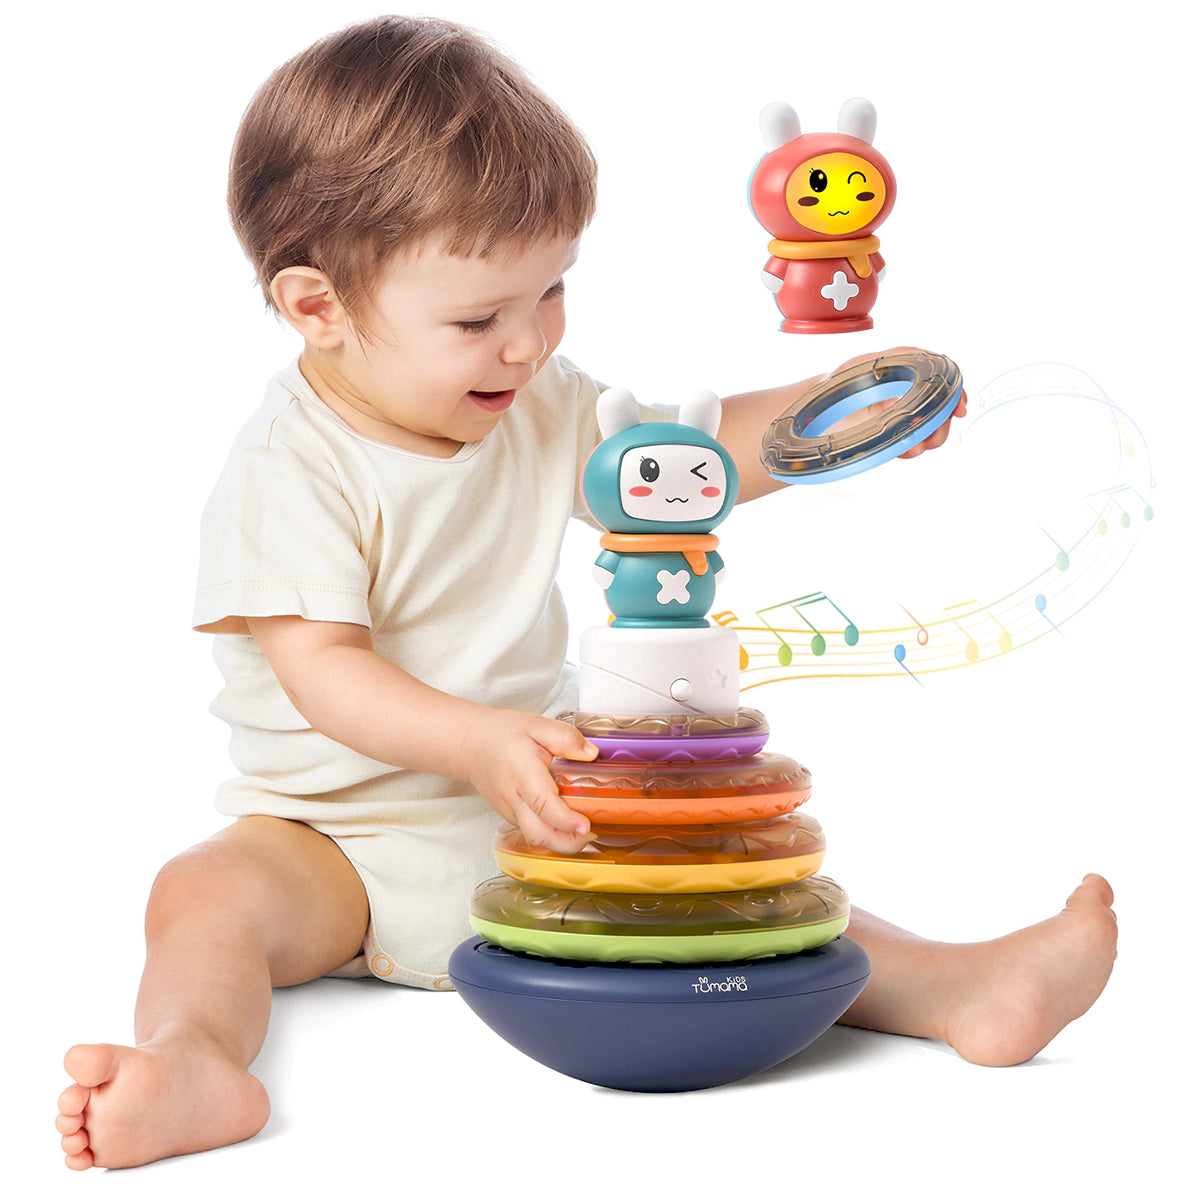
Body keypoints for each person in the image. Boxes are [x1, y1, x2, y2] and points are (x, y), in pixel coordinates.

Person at [55, 16, 1118, 1171]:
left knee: (742, 895)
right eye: (478, 320)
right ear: (318, 307)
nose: (526, 346)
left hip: (540, 807)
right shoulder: (289, 469)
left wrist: (837, 413)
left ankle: (961, 988)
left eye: (551, 293)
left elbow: (676, 468)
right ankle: (198, 1054)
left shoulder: (533, 399)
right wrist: (475, 741)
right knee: (206, 891)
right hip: (335, 842)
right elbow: (325, 674)